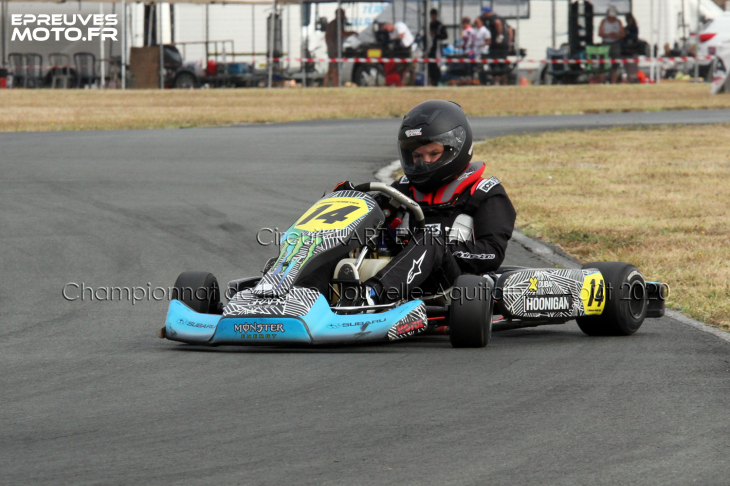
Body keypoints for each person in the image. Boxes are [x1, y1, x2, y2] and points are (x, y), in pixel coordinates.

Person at [330, 100, 517, 307]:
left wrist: (439, 246)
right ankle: (302, 294)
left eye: (433, 154)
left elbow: (492, 253)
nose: (423, 163)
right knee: (341, 237)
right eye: (417, 156)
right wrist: (350, 203)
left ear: (456, 148)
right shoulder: (401, 189)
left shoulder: (484, 192)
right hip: (399, 280)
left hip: (456, 287)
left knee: (430, 240)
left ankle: (368, 298)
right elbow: (367, 223)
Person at [324, 9, 356, 87]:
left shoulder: (331, 23)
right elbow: (342, 34)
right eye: (343, 14)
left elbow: (326, 36)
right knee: (335, 70)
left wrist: (328, 45)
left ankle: (325, 84)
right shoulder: (338, 23)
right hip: (335, 50)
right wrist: (353, 32)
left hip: (331, 49)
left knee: (330, 69)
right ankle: (336, 86)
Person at [480, 6, 509, 85]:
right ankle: (504, 82)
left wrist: (499, 35)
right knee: (503, 63)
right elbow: (510, 30)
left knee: (494, 63)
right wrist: (509, 41)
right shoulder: (502, 18)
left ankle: (496, 82)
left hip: (496, 45)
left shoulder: (491, 18)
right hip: (505, 44)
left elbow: (497, 23)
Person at [598, 5, 625, 84]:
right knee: (602, 63)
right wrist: (607, 35)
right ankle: (602, 81)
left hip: (615, 43)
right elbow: (600, 33)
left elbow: (623, 34)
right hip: (605, 43)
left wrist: (617, 35)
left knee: (615, 63)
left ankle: (613, 81)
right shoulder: (604, 22)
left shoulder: (618, 22)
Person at [428, 8, 448, 86]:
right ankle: (432, 80)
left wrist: (436, 35)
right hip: (431, 47)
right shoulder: (429, 24)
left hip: (437, 48)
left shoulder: (440, 25)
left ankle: (437, 81)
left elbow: (445, 36)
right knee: (431, 64)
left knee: (437, 64)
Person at [473, 17, 492, 84]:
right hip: (477, 52)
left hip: (483, 52)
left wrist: (483, 45)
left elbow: (488, 41)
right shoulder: (476, 31)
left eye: (477, 22)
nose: (475, 24)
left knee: (484, 68)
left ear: (481, 22)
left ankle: (486, 81)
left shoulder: (485, 31)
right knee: (479, 68)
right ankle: (481, 81)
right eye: (475, 23)